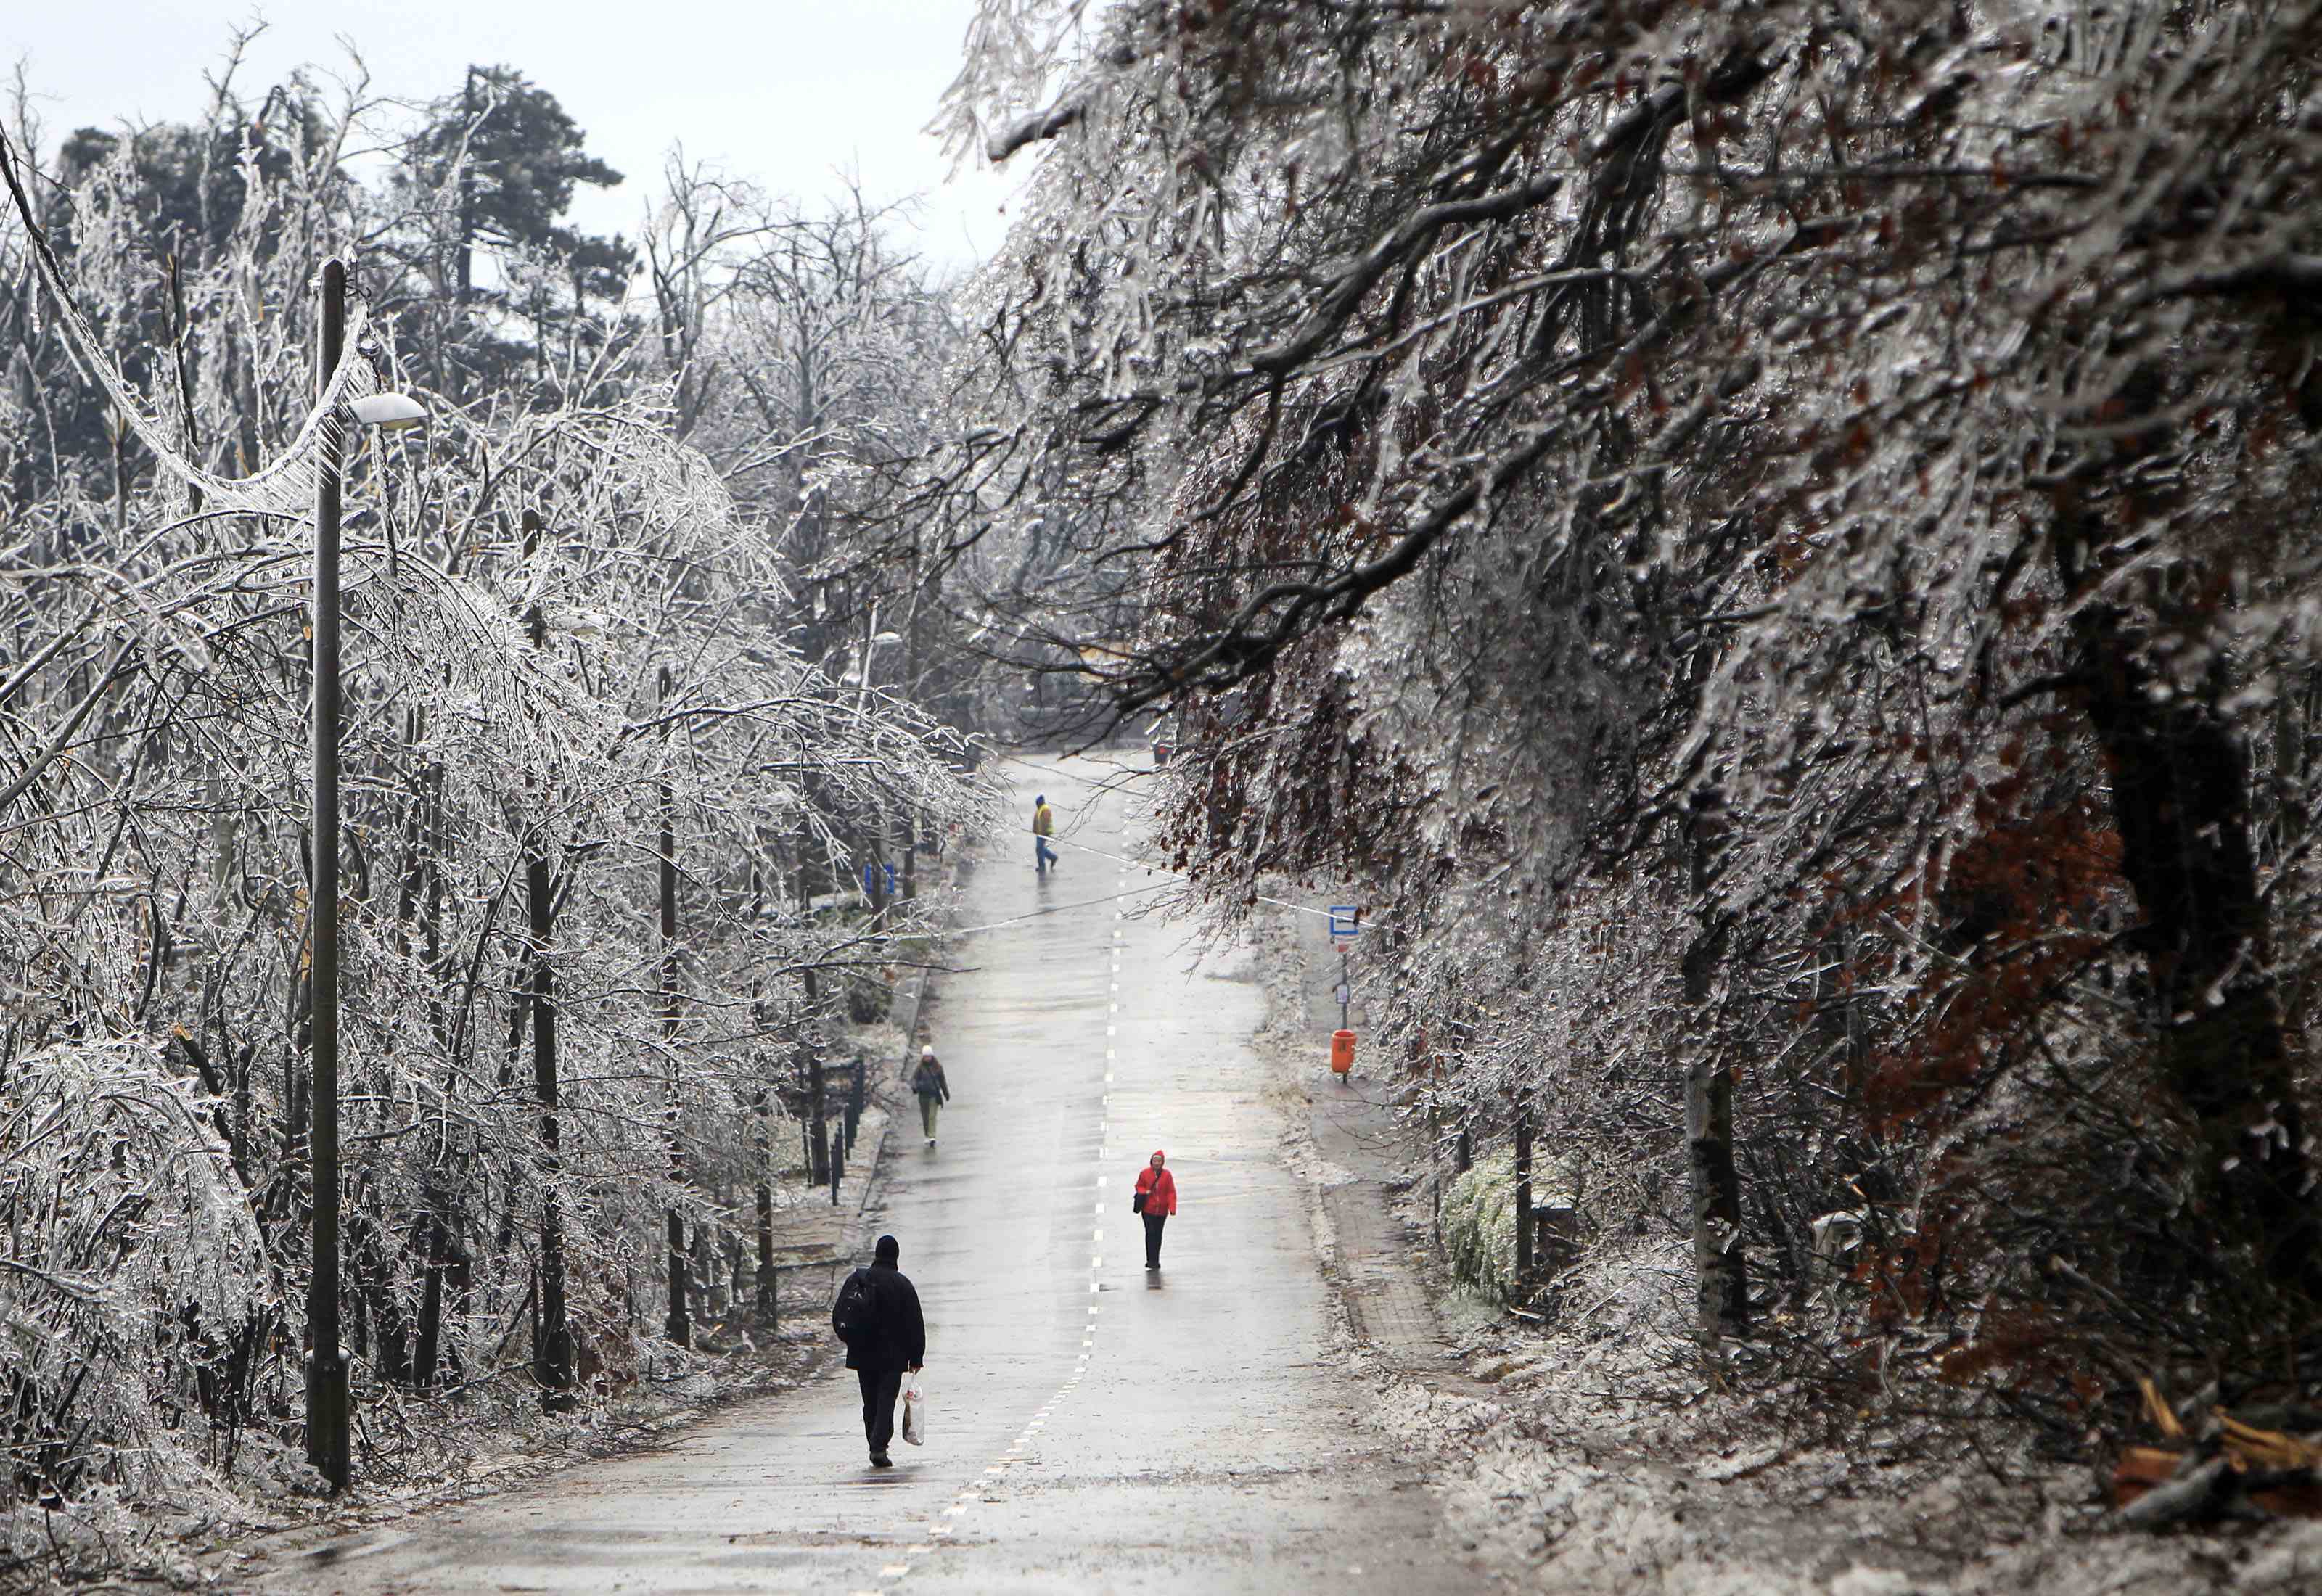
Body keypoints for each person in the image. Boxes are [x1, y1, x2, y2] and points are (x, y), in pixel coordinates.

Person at [830, 1235, 925, 1467]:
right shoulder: (902, 1284)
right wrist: (916, 1356)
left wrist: (849, 1339)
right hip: (892, 1357)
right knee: (885, 1401)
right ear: (895, 1256)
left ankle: (874, 1442)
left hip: (862, 1353)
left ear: (877, 1253)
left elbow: (840, 1312)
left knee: (870, 1401)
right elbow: (914, 1321)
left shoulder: (858, 1279)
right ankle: (878, 1446)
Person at [1133, 1150, 1177, 1270]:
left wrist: (1172, 1208)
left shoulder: (1167, 1175)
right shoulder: (1145, 1173)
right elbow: (1139, 1186)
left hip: (1162, 1211)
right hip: (1148, 1210)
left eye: (1159, 1161)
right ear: (1151, 1162)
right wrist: (1145, 1192)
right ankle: (1150, 1260)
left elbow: (1171, 1192)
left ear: (1162, 1162)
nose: (1157, 1163)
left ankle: (1156, 1259)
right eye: (1155, 1161)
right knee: (1150, 1233)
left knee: (1158, 1235)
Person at [912, 1045, 951, 1147]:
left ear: (932, 1056)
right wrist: (915, 1087)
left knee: (932, 1116)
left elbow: (942, 1081)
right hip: (923, 1096)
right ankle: (927, 1135)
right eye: (925, 1056)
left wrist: (946, 1093)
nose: (927, 1058)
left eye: (929, 1056)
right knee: (925, 1117)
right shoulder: (919, 1068)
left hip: (934, 1095)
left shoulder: (938, 1067)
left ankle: (932, 1136)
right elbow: (914, 1079)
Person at [1033, 793, 1059, 873]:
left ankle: (1042, 866)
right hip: (1040, 833)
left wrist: (1043, 832)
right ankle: (1053, 857)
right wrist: (1035, 830)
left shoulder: (1045, 809)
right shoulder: (1040, 809)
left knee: (1039, 848)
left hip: (1044, 833)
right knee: (1040, 849)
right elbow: (1037, 821)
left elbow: (1046, 822)